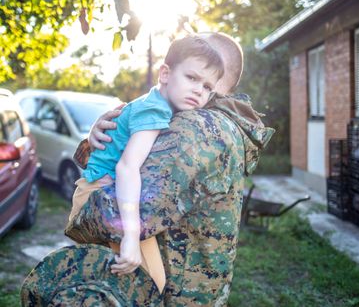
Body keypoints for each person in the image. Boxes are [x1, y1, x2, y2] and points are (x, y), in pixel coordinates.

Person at [21, 32, 275, 306]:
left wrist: (82, 212)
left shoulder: (200, 129)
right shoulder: (197, 117)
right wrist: (100, 138)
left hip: (180, 292)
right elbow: (134, 155)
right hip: (195, 285)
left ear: (217, 74)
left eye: (201, 77)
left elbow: (117, 211)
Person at [68, 34, 224, 282]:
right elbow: (127, 168)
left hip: (103, 193)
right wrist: (131, 235)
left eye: (207, 87)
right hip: (103, 196)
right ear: (164, 74)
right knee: (152, 283)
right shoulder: (155, 109)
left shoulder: (154, 103)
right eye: (192, 77)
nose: (198, 90)